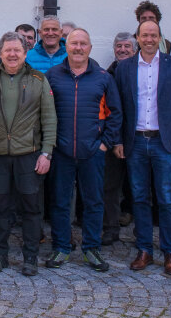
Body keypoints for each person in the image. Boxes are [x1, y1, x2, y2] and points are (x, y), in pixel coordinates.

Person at [0, 31, 56, 277]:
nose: (12, 54)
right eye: (7, 50)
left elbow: (49, 119)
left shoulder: (39, 79)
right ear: (0, 53)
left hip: (29, 155)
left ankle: (30, 257)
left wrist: (47, 153)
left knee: (31, 208)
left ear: (25, 53)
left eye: (17, 50)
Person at [114, 19, 171, 277]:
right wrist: (119, 140)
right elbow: (118, 107)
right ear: (138, 37)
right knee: (139, 197)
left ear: (160, 38)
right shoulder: (125, 67)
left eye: (153, 35)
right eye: (144, 35)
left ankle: (169, 251)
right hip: (135, 141)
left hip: (164, 141)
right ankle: (144, 249)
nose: (149, 39)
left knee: (167, 198)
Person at [45, 28, 121, 273]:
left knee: (94, 202)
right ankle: (61, 247)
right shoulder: (52, 76)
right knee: (60, 202)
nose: (78, 48)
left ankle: (91, 248)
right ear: (66, 47)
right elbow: (42, 112)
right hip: (61, 151)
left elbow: (115, 113)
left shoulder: (102, 77)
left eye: (83, 44)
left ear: (90, 47)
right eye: (74, 43)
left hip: (92, 152)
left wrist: (104, 144)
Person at [103, 31, 137, 245]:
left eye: (127, 47)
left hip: (138, 138)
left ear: (135, 51)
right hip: (114, 139)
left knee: (140, 186)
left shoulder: (143, 73)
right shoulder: (107, 74)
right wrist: (114, 140)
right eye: (119, 46)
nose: (122, 50)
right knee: (110, 187)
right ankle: (110, 227)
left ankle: (141, 231)